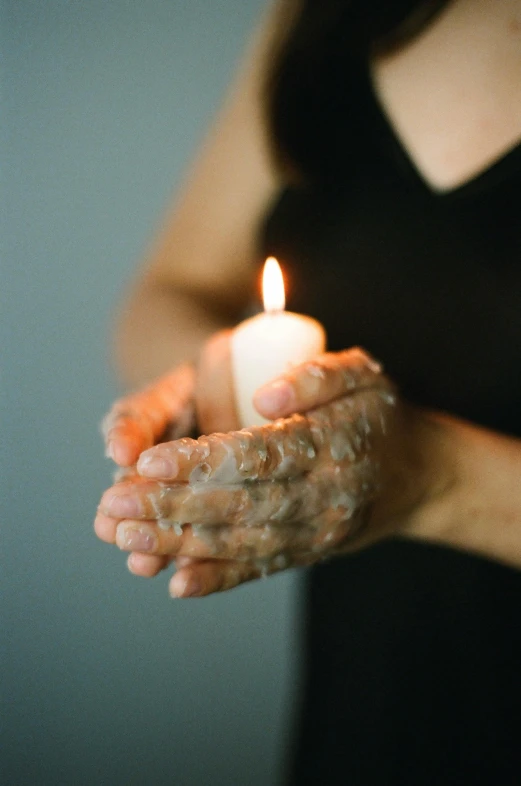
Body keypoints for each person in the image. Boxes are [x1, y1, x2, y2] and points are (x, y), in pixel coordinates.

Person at [95, 0, 521, 782]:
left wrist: (428, 475)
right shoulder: (323, 16)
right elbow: (167, 290)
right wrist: (223, 388)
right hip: (367, 703)